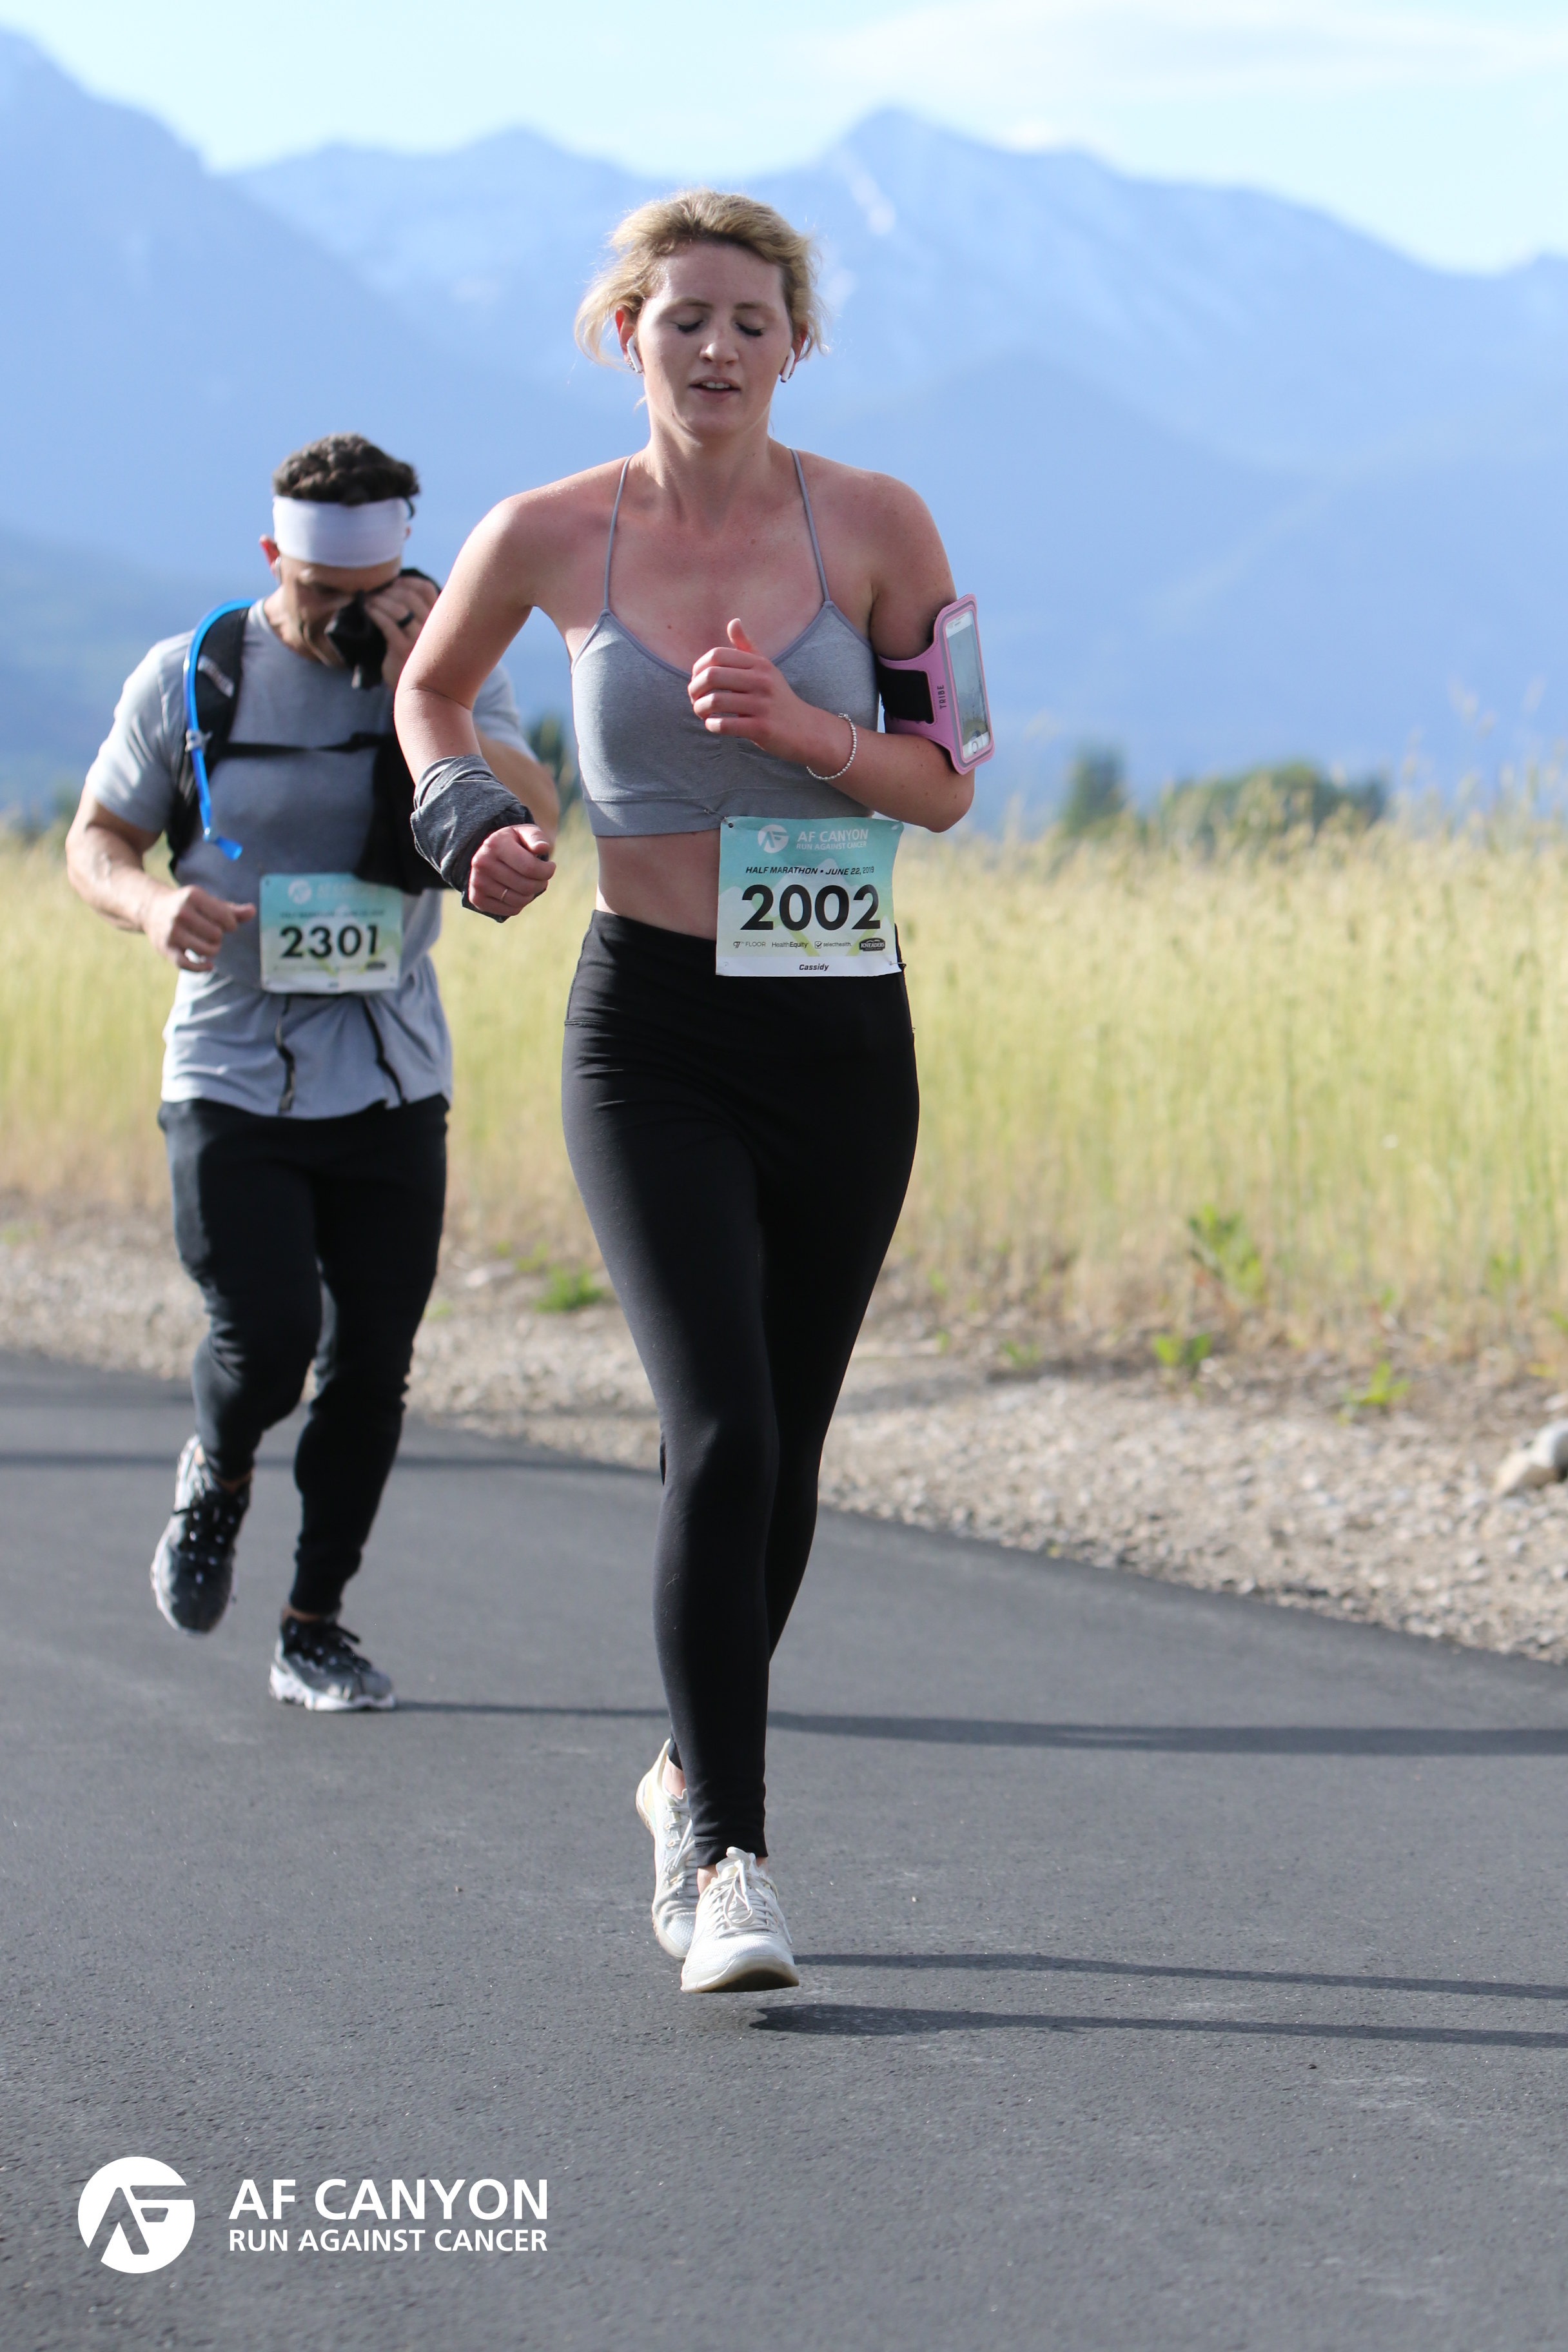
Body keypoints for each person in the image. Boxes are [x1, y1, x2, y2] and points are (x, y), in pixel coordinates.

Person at [396, 193, 973, 1988]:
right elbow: (431, 690)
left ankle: (675, 1770)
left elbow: (949, 777)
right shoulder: (545, 531)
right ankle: (730, 1858)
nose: (716, 349)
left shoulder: (876, 523)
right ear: (622, 334)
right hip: (649, 1030)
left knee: (780, 1447)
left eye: (749, 321)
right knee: (718, 1427)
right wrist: (469, 820)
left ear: (796, 344)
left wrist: (810, 736)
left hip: (840, 1025)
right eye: (682, 319)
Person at [66, 433, 558, 1711]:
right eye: (325, 595)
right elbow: (97, 838)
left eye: (373, 594)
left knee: (373, 1363)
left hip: (390, 1071)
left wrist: (423, 685)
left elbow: (536, 811)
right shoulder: (194, 678)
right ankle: (218, 1470)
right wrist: (149, 906)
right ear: (271, 557)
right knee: (269, 1336)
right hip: (230, 1065)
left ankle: (313, 1624)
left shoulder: (443, 670)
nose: (347, 620)